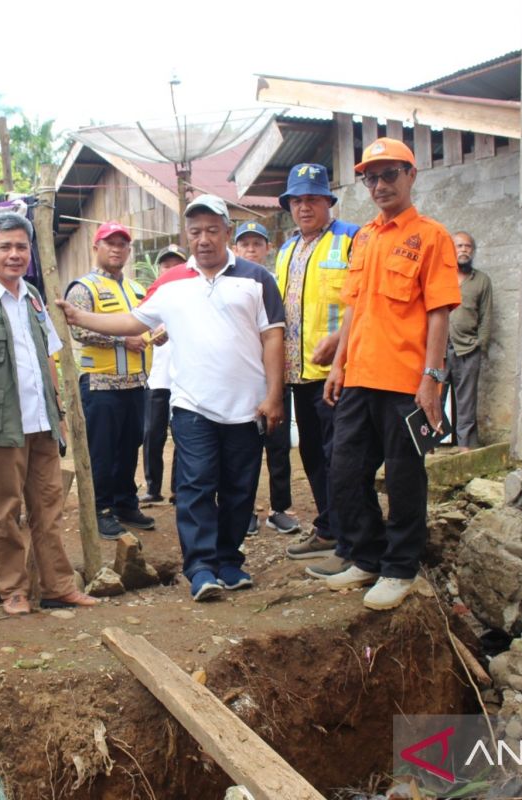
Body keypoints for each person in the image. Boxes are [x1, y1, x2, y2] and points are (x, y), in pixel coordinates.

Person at [58, 195, 284, 602]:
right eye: (195, 232)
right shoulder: (172, 281)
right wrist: (80, 317)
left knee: (239, 487)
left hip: (247, 405)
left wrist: (274, 395)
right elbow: (134, 320)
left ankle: (230, 561)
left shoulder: (257, 279)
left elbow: (273, 337)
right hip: (193, 405)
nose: (203, 239)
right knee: (195, 485)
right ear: (188, 235)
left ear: (227, 233)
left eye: (212, 230)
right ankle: (199, 567)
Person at [318, 137, 461, 610]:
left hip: (405, 384)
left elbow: (439, 312)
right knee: (343, 471)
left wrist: (432, 379)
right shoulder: (364, 237)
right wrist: (338, 365)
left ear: (411, 175)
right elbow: (354, 310)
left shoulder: (432, 236)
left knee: (403, 479)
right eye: (370, 177)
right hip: (358, 377)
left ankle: (400, 568)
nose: (379, 185)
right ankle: (367, 557)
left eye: (388, 175)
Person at [0, 212, 98, 616]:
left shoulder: (32, 297)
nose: (15, 255)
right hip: (1, 427)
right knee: (5, 512)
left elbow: (48, 356)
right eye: (5, 247)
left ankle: (57, 586)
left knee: (48, 509)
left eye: (21, 247)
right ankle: (12, 590)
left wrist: (60, 411)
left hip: (42, 422)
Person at [267, 164, 361, 564]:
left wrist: (339, 341)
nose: (304, 207)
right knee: (312, 456)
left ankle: (352, 539)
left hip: (338, 372)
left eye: (312, 199)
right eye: (297, 200)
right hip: (298, 374)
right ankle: (327, 528)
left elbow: (367, 299)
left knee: (342, 457)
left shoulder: (352, 239)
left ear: (328, 202)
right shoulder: (287, 249)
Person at [65, 222, 154, 539]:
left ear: (129, 251)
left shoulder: (136, 289)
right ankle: (100, 509)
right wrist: (121, 341)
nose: (117, 249)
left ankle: (125, 503)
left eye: (122, 244)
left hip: (135, 383)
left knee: (130, 446)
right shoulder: (83, 288)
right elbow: (78, 329)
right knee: (101, 451)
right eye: (110, 243)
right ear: (96, 247)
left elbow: (147, 323)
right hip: (100, 384)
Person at [232, 221, 295, 537]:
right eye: (245, 244)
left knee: (278, 446)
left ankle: (279, 509)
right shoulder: (226, 283)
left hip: (274, 376)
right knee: (243, 450)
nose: (251, 249)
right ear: (236, 249)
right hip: (242, 379)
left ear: (268, 249)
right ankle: (243, 511)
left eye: (257, 244)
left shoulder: (277, 281)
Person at [139, 245, 187, 506]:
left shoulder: (193, 294)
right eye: (166, 265)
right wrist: (150, 337)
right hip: (157, 379)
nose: (170, 269)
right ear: (159, 269)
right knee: (152, 434)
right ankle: (152, 487)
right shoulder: (150, 299)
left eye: (176, 264)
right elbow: (137, 332)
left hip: (183, 379)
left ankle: (178, 488)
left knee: (182, 434)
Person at [446, 232, 492, 451]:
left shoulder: (481, 280)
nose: (463, 250)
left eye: (468, 246)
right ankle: (428, 446)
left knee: (466, 400)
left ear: (473, 251)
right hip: (438, 351)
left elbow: (487, 316)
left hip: (468, 349)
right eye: (459, 246)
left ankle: (465, 447)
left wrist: (480, 344)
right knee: (433, 396)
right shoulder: (439, 276)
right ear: (450, 249)